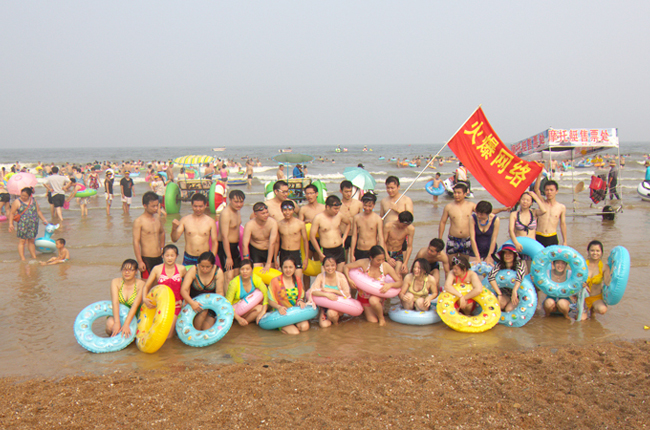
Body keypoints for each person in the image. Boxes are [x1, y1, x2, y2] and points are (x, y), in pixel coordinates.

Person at [344, 245, 402, 326]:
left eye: (383, 259)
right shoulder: (364, 263)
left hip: (377, 297)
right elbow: (346, 267)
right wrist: (349, 279)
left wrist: (390, 285)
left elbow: (399, 282)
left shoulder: (385, 266)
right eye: (378, 260)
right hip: (364, 296)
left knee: (373, 300)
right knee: (372, 322)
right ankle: (366, 311)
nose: (381, 262)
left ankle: (381, 318)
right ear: (371, 258)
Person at [143, 244, 187, 338]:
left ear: (177, 256)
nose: (169, 258)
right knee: (160, 334)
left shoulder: (181, 269)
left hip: (176, 304)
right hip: (161, 305)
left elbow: (187, 285)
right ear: (162, 256)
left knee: (168, 336)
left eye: (172, 255)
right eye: (167, 255)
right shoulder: (156, 269)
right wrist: (144, 298)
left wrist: (185, 300)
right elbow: (146, 285)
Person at [180, 251, 225, 330]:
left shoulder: (218, 272)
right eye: (202, 266)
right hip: (193, 301)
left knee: (207, 329)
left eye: (208, 267)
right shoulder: (194, 270)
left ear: (213, 265)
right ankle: (195, 331)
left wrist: (218, 306)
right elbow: (183, 290)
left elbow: (219, 292)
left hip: (210, 303)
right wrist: (192, 303)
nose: (204, 269)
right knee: (203, 311)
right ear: (198, 264)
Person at [267, 256, 311, 335]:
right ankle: (281, 329)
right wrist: (279, 307)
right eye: (285, 267)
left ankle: (290, 327)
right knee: (295, 333)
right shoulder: (275, 281)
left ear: (294, 268)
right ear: (281, 268)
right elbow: (270, 301)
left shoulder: (297, 280)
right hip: (282, 313)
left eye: (291, 267)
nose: (288, 270)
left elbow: (301, 296)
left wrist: (300, 301)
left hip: (295, 312)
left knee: (305, 327)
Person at [171, 193, 218, 266]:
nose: (198, 209)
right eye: (195, 206)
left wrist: (212, 258)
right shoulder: (185, 220)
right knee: (185, 273)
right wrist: (174, 228)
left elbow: (215, 242)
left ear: (205, 205)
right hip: (189, 257)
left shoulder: (211, 222)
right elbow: (174, 239)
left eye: (200, 206)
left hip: (205, 257)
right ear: (192, 205)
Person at [306, 256, 352, 327]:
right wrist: (327, 295)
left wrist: (331, 290)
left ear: (336, 266)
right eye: (327, 266)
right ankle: (325, 315)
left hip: (338, 305)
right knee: (324, 325)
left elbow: (347, 294)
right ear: (323, 267)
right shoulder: (320, 276)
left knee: (331, 313)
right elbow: (313, 291)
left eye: (332, 265)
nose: (330, 268)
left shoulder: (341, 276)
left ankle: (336, 324)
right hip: (325, 306)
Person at [105, 259, 145, 337]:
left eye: (130, 270)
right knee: (110, 324)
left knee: (132, 332)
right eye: (124, 269)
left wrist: (126, 324)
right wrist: (117, 322)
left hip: (134, 315)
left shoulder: (141, 284)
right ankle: (114, 339)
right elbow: (115, 302)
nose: (127, 272)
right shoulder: (115, 282)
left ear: (136, 271)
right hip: (118, 315)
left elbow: (135, 305)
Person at [8, 187, 50, 261]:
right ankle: (23, 258)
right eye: (22, 195)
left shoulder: (33, 200)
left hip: (33, 224)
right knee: (22, 241)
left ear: (29, 195)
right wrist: (11, 224)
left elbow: (38, 211)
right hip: (22, 224)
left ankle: (34, 256)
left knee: (31, 241)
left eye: (25, 196)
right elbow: (12, 213)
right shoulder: (17, 202)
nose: (23, 197)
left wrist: (44, 220)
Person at [311, 195, 350, 271]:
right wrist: (320, 253)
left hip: (339, 248)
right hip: (327, 250)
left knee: (340, 274)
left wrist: (344, 239)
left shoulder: (339, 215)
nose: (337, 211)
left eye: (338, 209)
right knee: (327, 274)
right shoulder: (318, 218)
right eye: (335, 209)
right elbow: (312, 237)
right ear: (328, 207)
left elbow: (348, 223)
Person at [225, 259, 269, 326]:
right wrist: (238, 318)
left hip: (248, 307)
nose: (245, 272)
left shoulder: (255, 278)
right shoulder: (234, 283)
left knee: (260, 308)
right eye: (242, 269)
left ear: (252, 270)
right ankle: (238, 321)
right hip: (236, 310)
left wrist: (263, 311)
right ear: (239, 270)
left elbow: (266, 293)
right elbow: (227, 304)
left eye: (247, 269)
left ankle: (244, 323)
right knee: (259, 308)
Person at [133, 192, 165, 280]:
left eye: (157, 205)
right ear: (145, 205)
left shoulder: (157, 218)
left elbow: (162, 232)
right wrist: (140, 261)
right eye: (153, 206)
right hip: (147, 259)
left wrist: (162, 248)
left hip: (159, 258)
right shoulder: (139, 221)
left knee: (160, 283)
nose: (156, 208)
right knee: (146, 284)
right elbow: (136, 242)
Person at [438, 183, 476, 257]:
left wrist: (500, 209)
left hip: (466, 239)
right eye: (455, 192)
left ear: (465, 194)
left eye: (459, 193)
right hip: (453, 239)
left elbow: (484, 212)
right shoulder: (449, 207)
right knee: (450, 262)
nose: (456, 195)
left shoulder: (471, 205)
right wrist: (440, 238)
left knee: (464, 263)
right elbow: (442, 222)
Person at [486, 243, 527, 312]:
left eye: (510, 253)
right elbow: (491, 277)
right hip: (505, 294)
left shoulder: (519, 264)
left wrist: (514, 291)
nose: (507, 255)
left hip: (517, 294)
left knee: (508, 309)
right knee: (499, 304)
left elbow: (520, 277)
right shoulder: (499, 265)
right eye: (505, 253)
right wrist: (499, 294)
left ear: (514, 255)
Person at [277, 200, 309, 280]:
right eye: (285, 210)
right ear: (281, 211)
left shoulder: (300, 224)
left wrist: (306, 258)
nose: (287, 212)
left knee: (297, 279)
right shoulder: (279, 224)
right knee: (285, 278)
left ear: (293, 210)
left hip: (295, 253)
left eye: (290, 210)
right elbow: (277, 242)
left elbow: (305, 241)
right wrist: (274, 258)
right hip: (284, 252)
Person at [243, 202, 278, 273]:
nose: (266, 215)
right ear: (255, 214)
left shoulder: (273, 223)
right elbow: (245, 244)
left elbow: (272, 243)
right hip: (256, 250)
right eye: (263, 213)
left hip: (269, 250)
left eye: (267, 212)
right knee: (255, 272)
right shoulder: (249, 225)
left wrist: (268, 263)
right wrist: (246, 261)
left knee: (270, 272)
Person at [350, 192, 386, 262]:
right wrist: (352, 254)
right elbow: (354, 236)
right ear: (362, 204)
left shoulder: (377, 219)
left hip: (372, 250)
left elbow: (381, 238)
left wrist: (381, 255)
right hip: (359, 249)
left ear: (374, 205)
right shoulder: (357, 218)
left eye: (370, 206)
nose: (367, 208)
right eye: (365, 205)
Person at [534, 171, 567, 247]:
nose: (549, 192)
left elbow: (562, 224)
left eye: (551, 190)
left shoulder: (561, 207)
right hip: (539, 235)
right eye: (547, 190)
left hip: (552, 236)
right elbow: (536, 190)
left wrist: (565, 241)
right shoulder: (542, 202)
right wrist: (539, 175)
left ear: (556, 191)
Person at [581, 240, 611, 319]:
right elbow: (575, 280)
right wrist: (582, 284)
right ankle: (586, 310)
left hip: (596, 297)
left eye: (597, 251)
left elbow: (607, 282)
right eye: (592, 250)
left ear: (601, 252)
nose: (595, 253)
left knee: (602, 309)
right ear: (588, 251)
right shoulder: (582, 265)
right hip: (583, 298)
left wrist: (614, 273)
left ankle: (593, 309)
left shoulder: (604, 267)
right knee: (581, 320)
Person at [383, 211, 415, 277]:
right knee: (385, 273)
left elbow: (409, 247)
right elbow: (383, 242)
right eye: (404, 225)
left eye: (407, 225)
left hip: (398, 252)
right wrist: (387, 257)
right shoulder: (388, 226)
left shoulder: (410, 229)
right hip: (386, 251)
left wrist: (405, 263)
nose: (405, 227)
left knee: (398, 274)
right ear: (398, 220)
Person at [468, 201, 500, 265]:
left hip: (489, 248)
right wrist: (477, 256)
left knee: (488, 267)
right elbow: (472, 239)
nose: (479, 216)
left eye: (481, 214)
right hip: (476, 247)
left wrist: (489, 256)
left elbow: (493, 239)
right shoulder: (472, 218)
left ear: (488, 213)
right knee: (472, 267)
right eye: (477, 213)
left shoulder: (495, 220)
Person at [339, 180, 363, 258]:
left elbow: (362, 219)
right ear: (341, 191)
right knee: (344, 259)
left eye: (350, 191)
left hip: (355, 234)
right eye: (346, 192)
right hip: (343, 234)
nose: (349, 194)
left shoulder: (358, 204)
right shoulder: (338, 205)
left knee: (355, 258)